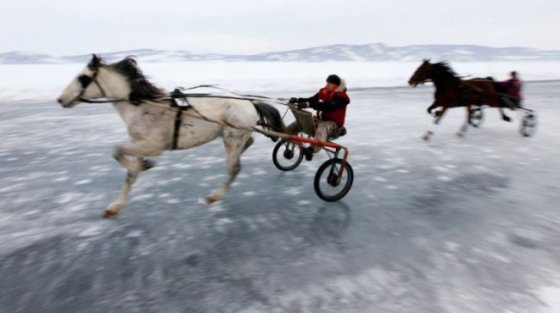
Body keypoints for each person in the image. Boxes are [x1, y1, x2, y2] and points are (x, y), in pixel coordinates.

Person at [288, 74, 350, 160]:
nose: (326, 85)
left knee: (322, 127)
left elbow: (327, 106)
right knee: (303, 120)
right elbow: (311, 100)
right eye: (326, 83)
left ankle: (311, 150)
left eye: (329, 84)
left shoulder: (341, 98)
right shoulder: (324, 92)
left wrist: (309, 105)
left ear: (335, 86)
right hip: (321, 120)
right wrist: (298, 100)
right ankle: (287, 133)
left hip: (334, 125)